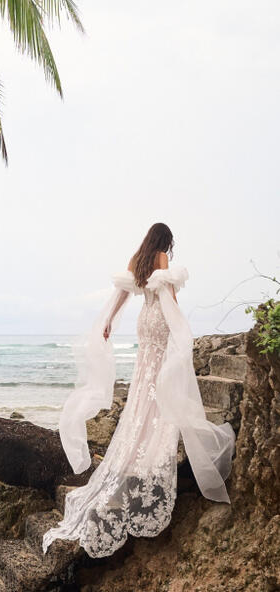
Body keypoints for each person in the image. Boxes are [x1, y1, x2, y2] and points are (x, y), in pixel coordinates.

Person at [42, 222, 235, 559]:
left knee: (145, 378)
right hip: (159, 318)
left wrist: (107, 323)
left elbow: (121, 295)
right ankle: (155, 435)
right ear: (166, 242)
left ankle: (140, 430)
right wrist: (182, 329)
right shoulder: (160, 257)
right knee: (159, 377)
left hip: (143, 323)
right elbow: (168, 296)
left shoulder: (137, 258)